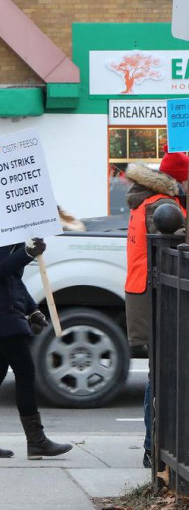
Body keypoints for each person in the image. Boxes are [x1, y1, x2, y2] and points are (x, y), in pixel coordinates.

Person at [0, 181, 72, 460]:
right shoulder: (0, 222)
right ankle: (36, 441)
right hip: (0, 312)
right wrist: (26, 253)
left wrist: (32, 309)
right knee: (25, 372)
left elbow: (11, 279)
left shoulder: (1, 220)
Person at [124, 147, 187, 468]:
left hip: (144, 293)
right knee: (162, 376)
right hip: (158, 298)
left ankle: (156, 448)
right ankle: (155, 448)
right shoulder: (164, 206)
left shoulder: (146, 201)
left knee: (160, 373)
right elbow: (178, 248)